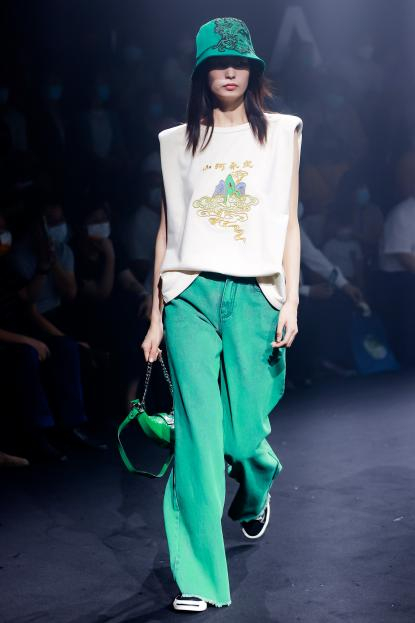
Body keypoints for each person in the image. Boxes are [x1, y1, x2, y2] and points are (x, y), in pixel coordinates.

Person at [141, 17, 303, 611]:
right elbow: (167, 230)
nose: (230, 71)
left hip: (255, 292)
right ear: (202, 72)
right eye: (218, 62)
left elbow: (288, 221)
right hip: (189, 293)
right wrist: (155, 316)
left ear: (254, 70)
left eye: (241, 62)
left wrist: (292, 298)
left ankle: (256, 485)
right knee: (198, 440)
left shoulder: (281, 133)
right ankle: (199, 579)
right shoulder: (175, 142)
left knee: (240, 433)